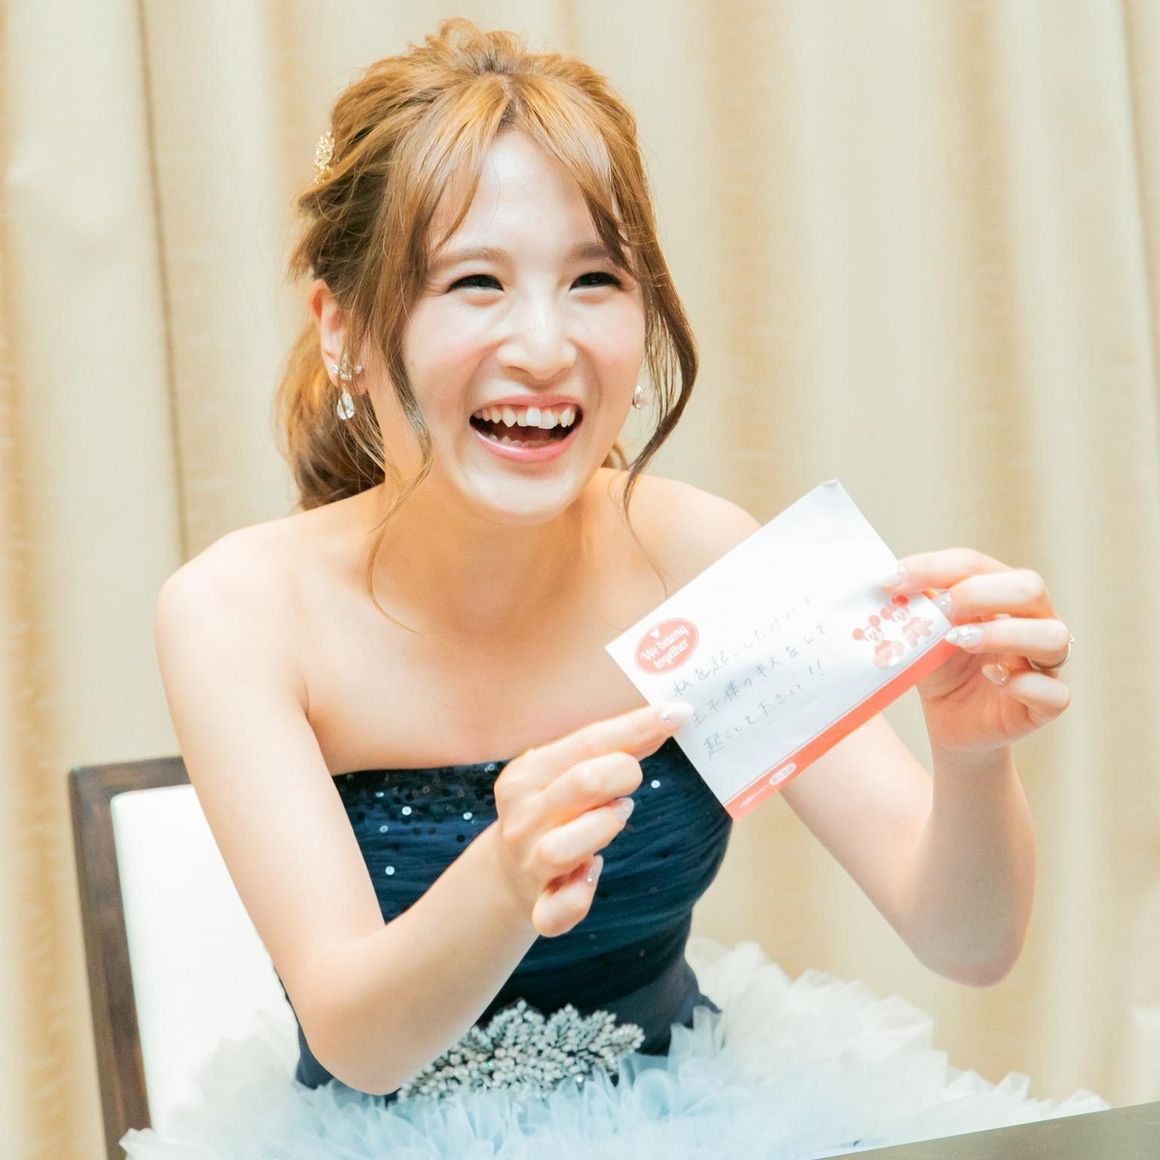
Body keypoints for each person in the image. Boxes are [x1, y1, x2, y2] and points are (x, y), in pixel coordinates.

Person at [124, 19, 1099, 1159]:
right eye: (474, 283)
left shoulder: (700, 556)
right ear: (342, 329)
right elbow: (360, 1040)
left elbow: (965, 940)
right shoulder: (237, 612)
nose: (545, 348)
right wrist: (504, 876)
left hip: (698, 1120)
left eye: (593, 279)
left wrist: (971, 756)